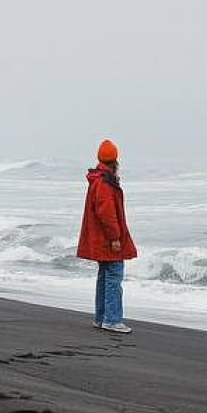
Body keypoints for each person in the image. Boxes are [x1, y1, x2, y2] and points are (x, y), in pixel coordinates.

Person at [76, 138, 137, 333]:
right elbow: (106, 213)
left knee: (105, 277)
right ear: (115, 160)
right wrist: (115, 238)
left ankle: (101, 317)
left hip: (101, 239)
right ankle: (111, 319)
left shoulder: (99, 179)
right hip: (107, 240)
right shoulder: (104, 182)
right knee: (113, 277)